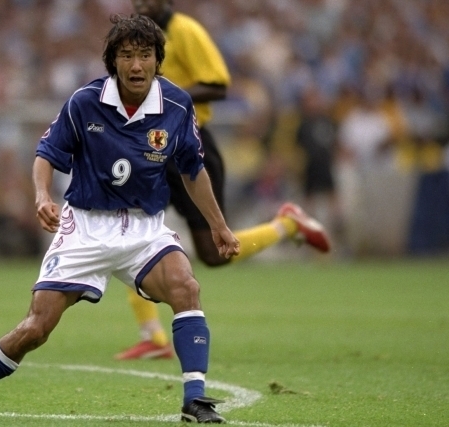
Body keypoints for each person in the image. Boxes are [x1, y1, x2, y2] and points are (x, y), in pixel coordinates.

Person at [0, 14, 238, 424]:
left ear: (159, 60)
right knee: (36, 328)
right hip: (84, 227)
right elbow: (47, 154)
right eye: (126, 56)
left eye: (145, 55)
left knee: (185, 287)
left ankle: (195, 400)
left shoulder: (176, 105)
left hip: (143, 228)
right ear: (112, 61)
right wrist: (40, 196)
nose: (136, 65)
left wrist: (218, 225)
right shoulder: (85, 101)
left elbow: (193, 171)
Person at [115, 0, 332, 360]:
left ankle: (286, 225)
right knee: (127, 226)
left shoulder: (186, 31)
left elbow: (218, 84)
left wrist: (163, 95)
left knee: (214, 255)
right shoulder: (140, 40)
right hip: (152, 143)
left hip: (190, 142)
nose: (141, 4)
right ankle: (152, 337)